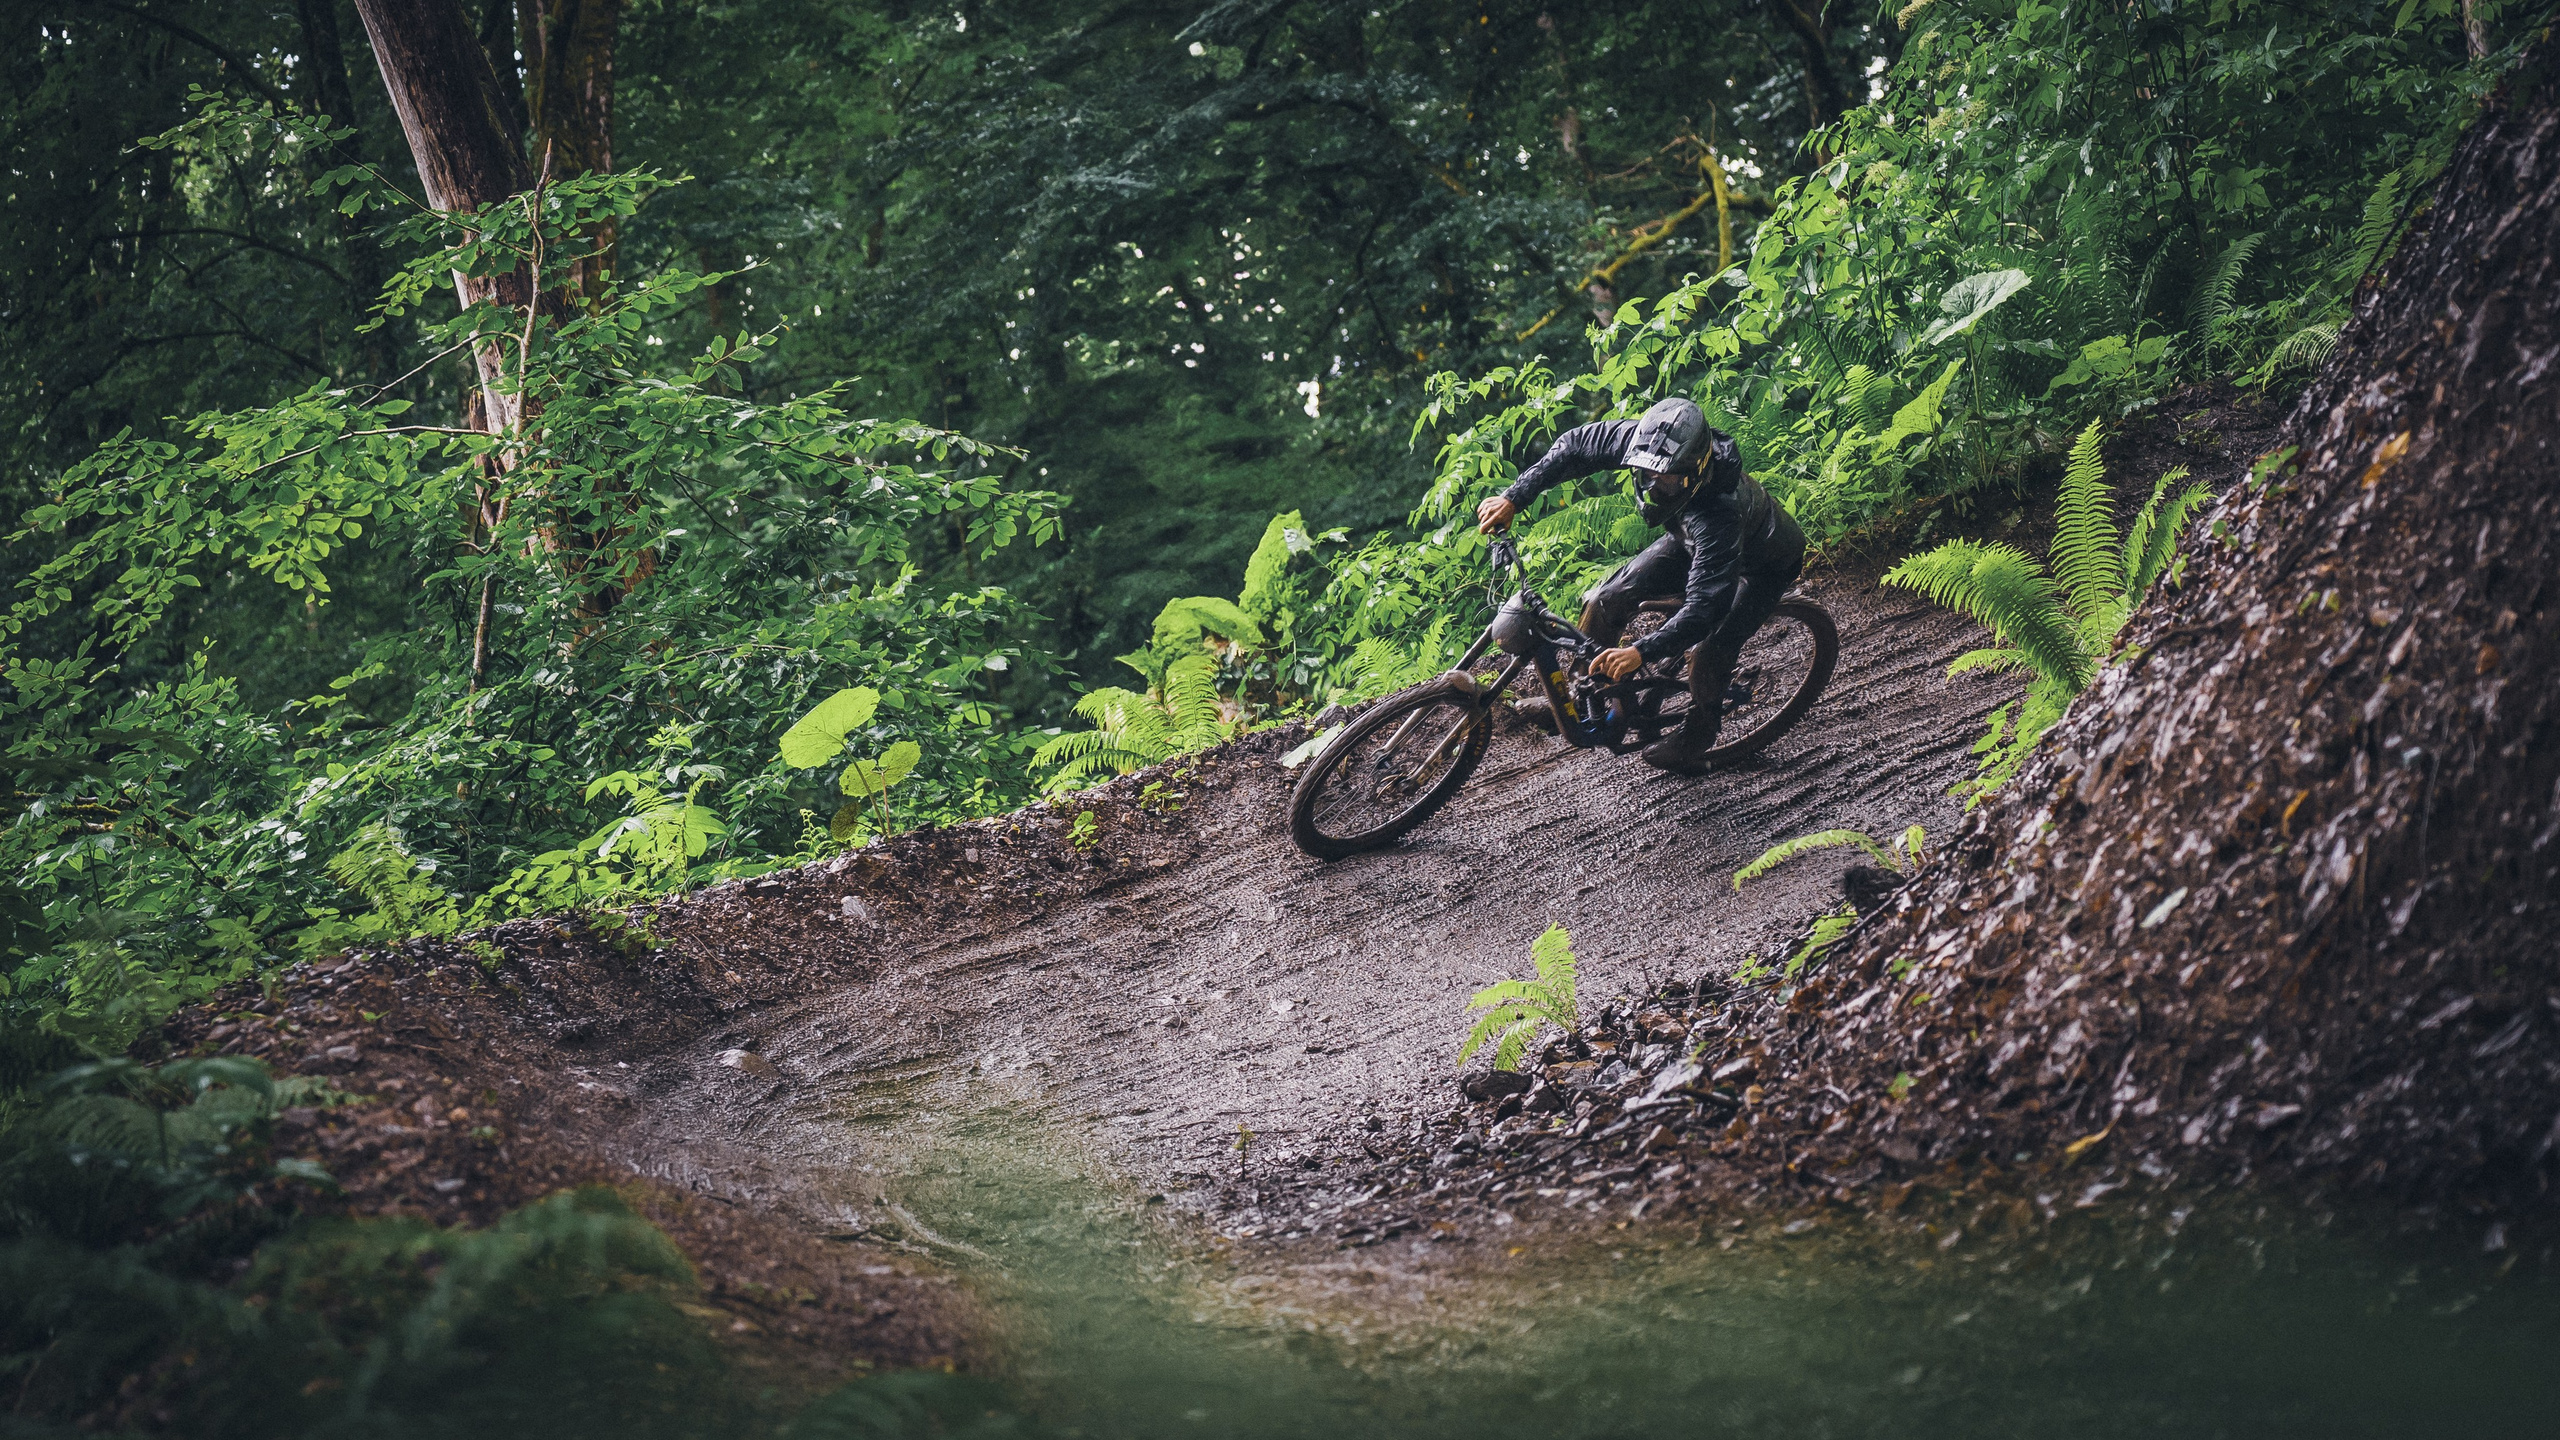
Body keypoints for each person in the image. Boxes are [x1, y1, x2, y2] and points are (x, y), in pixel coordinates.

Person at [1475, 396, 1805, 774]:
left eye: (1669, 479)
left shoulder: (1719, 514)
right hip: (1689, 540)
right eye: (1648, 475)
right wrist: (1514, 497)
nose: (1656, 485)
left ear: (1696, 470)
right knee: (1606, 598)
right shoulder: (1645, 442)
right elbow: (1574, 447)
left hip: (1763, 564)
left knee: (1710, 650)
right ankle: (1586, 700)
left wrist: (1639, 652)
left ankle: (1697, 736)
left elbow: (1704, 608)